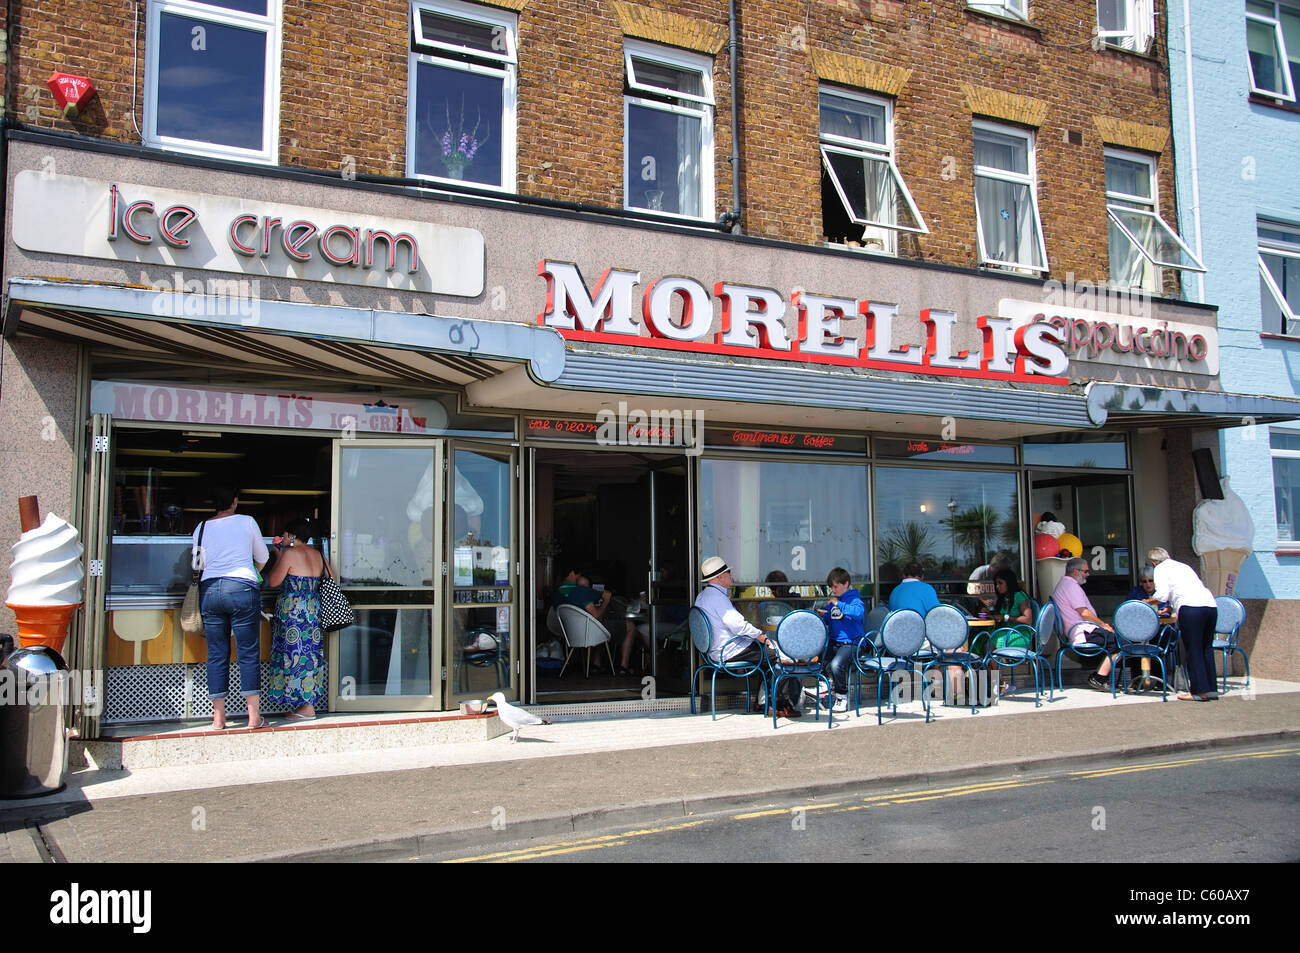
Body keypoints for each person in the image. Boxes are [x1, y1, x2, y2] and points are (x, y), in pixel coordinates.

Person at [194, 484, 269, 730]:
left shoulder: (201, 528)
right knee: (247, 652)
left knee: (216, 654)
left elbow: (198, 564)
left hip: (210, 590)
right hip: (242, 588)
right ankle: (253, 717)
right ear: (234, 501)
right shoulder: (247, 521)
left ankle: (218, 718)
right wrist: (251, 574)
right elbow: (263, 556)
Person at [693, 556, 801, 716]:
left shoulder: (702, 596)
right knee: (778, 656)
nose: (731, 574)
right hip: (730, 649)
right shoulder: (718, 598)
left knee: (766, 656)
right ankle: (777, 705)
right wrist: (763, 638)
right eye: (728, 572)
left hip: (715, 650)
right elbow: (738, 625)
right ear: (719, 577)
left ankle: (762, 702)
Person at [265, 518, 326, 721]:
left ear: (292, 536)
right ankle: (306, 704)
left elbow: (274, 581)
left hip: (293, 614)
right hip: (312, 610)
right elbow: (331, 578)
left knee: (293, 657)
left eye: (284, 535)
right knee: (310, 656)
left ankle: (306, 708)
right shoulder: (317, 554)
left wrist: (279, 555)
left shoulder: (290, 553)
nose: (282, 538)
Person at [1146, 547, 1219, 702]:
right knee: (1206, 648)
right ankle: (1211, 688)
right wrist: (1172, 606)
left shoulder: (1160, 569)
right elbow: (1186, 589)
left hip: (1191, 609)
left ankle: (1199, 692)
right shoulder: (1183, 566)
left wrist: (1147, 601)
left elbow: (1162, 595)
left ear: (1153, 562)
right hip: (1210, 605)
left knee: (1193, 649)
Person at [1051, 556, 1118, 691]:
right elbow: (1084, 613)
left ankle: (1100, 676)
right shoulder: (1070, 586)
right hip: (1083, 633)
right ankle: (1099, 678)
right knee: (1120, 640)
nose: (1088, 574)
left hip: (1081, 631)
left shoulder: (1065, 584)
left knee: (1119, 635)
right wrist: (1103, 625)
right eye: (1086, 571)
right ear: (1076, 571)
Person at [810, 567, 864, 713]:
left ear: (846, 584)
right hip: (835, 642)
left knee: (836, 665)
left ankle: (842, 697)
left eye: (836, 586)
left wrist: (838, 604)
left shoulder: (854, 599)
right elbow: (831, 618)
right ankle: (823, 687)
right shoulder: (835, 601)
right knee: (819, 659)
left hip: (853, 643)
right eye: (831, 587)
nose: (833, 590)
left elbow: (858, 613)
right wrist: (823, 614)